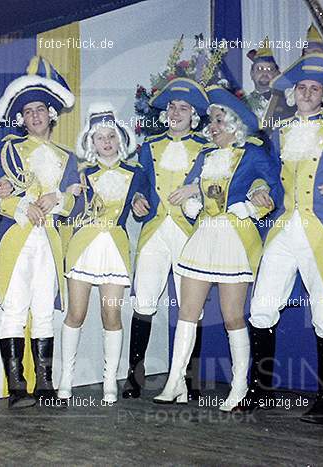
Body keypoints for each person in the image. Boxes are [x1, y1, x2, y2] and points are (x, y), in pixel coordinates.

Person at [154, 86, 282, 411]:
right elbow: (190, 193)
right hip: (203, 236)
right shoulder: (204, 156)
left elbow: (271, 188)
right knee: (187, 312)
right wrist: (190, 205)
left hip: (235, 238)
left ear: (235, 123)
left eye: (219, 120)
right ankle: (175, 381)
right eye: (211, 120)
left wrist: (254, 207)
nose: (212, 126)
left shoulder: (252, 153)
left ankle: (239, 387)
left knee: (232, 316)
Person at [240, 52, 323, 417]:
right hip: (283, 228)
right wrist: (260, 187)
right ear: (293, 93)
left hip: (320, 229)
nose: (306, 93)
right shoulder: (280, 131)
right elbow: (268, 174)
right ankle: (261, 389)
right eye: (301, 87)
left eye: (313, 88)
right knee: (261, 307)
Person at [0, 56, 79, 408]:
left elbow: (79, 205)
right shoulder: (9, 149)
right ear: (21, 117)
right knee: (15, 308)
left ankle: (45, 382)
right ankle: (17, 384)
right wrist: (20, 206)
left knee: (44, 310)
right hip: (17, 238)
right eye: (29, 111)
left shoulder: (69, 158)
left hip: (50, 241)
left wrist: (57, 198)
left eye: (41, 109)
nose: (36, 116)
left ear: (52, 114)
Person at [124, 78, 209, 400]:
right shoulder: (150, 146)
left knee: (192, 307)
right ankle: (135, 376)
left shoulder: (206, 148)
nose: (176, 112)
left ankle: (191, 377)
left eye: (183, 108)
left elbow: (219, 183)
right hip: (155, 232)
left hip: (190, 234)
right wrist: (137, 200)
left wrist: (196, 188)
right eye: (171, 107)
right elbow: (140, 183)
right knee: (144, 302)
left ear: (194, 115)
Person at [58, 103, 145, 404]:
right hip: (83, 247)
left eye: (111, 136)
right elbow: (66, 210)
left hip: (115, 250)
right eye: (100, 137)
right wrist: (70, 195)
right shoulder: (81, 172)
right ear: (90, 142)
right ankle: (65, 380)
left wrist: (139, 205)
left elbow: (145, 203)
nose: (106, 142)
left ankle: (110, 381)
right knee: (76, 313)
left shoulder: (136, 171)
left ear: (120, 138)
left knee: (111, 314)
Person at [244, 39, 296, 130]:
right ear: (252, 73)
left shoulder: (290, 101)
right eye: (259, 69)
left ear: (276, 73)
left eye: (270, 69)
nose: (264, 73)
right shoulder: (243, 103)